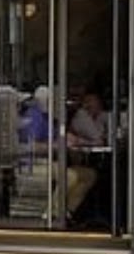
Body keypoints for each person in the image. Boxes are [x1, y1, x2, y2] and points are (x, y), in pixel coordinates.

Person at [23, 85, 97, 225]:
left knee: (89, 175)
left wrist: (77, 140)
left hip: (50, 162)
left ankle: (68, 212)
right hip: (33, 164)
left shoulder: (51, 118)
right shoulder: (34, 117)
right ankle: (52, 214)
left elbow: (62, 137)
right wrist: (56, 145)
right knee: (70, 176)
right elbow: (30, 146)